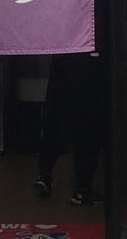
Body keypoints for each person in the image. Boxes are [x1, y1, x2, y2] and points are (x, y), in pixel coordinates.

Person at [34, 52, 107, 206]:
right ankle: (82, 188)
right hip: (88, 56)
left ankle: (44, 173)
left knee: (56, 116)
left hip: (65, 52)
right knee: (88, 122)